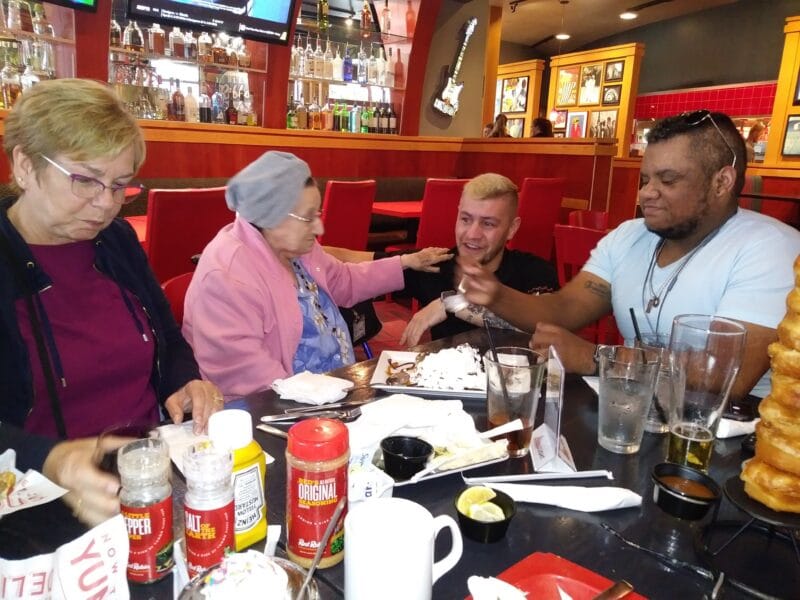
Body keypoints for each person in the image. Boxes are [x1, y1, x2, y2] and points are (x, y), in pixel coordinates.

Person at [0, 79, 222, 527]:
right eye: (85, 181)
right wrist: (51, 458)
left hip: (149, 475)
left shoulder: (116, 241)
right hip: (38, 501)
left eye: (120, 186)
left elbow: (166, 335)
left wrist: (185, 379)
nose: (104, 205)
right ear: (25, 165)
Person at [459, 110, 800, 400]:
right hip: (632, 409)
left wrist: (597, 358)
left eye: (667, 180)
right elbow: (565, 309)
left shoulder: (771, 248)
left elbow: (724, 376)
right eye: (646, 178)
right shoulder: (628, 237)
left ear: (722, 182)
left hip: (733, 441)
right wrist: (496, 294)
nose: (646, 193)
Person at [183, 151, 451, 399]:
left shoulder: (295, 248)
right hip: (278, 412)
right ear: (272, 216)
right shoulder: (227, 277)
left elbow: (344, 280)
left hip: (330, 390)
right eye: (309, 217)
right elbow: (252, 380)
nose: (320, 226)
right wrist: (337, 406)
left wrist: (404, 263)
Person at [399, 173, 558, 346]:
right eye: (465, 219)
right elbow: (367, 265)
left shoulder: (534, 270)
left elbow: (548, 327)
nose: (473, 234)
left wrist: (452, 304)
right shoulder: (434, 266)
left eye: (488, 223)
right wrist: (404, 261)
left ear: (512, 229)